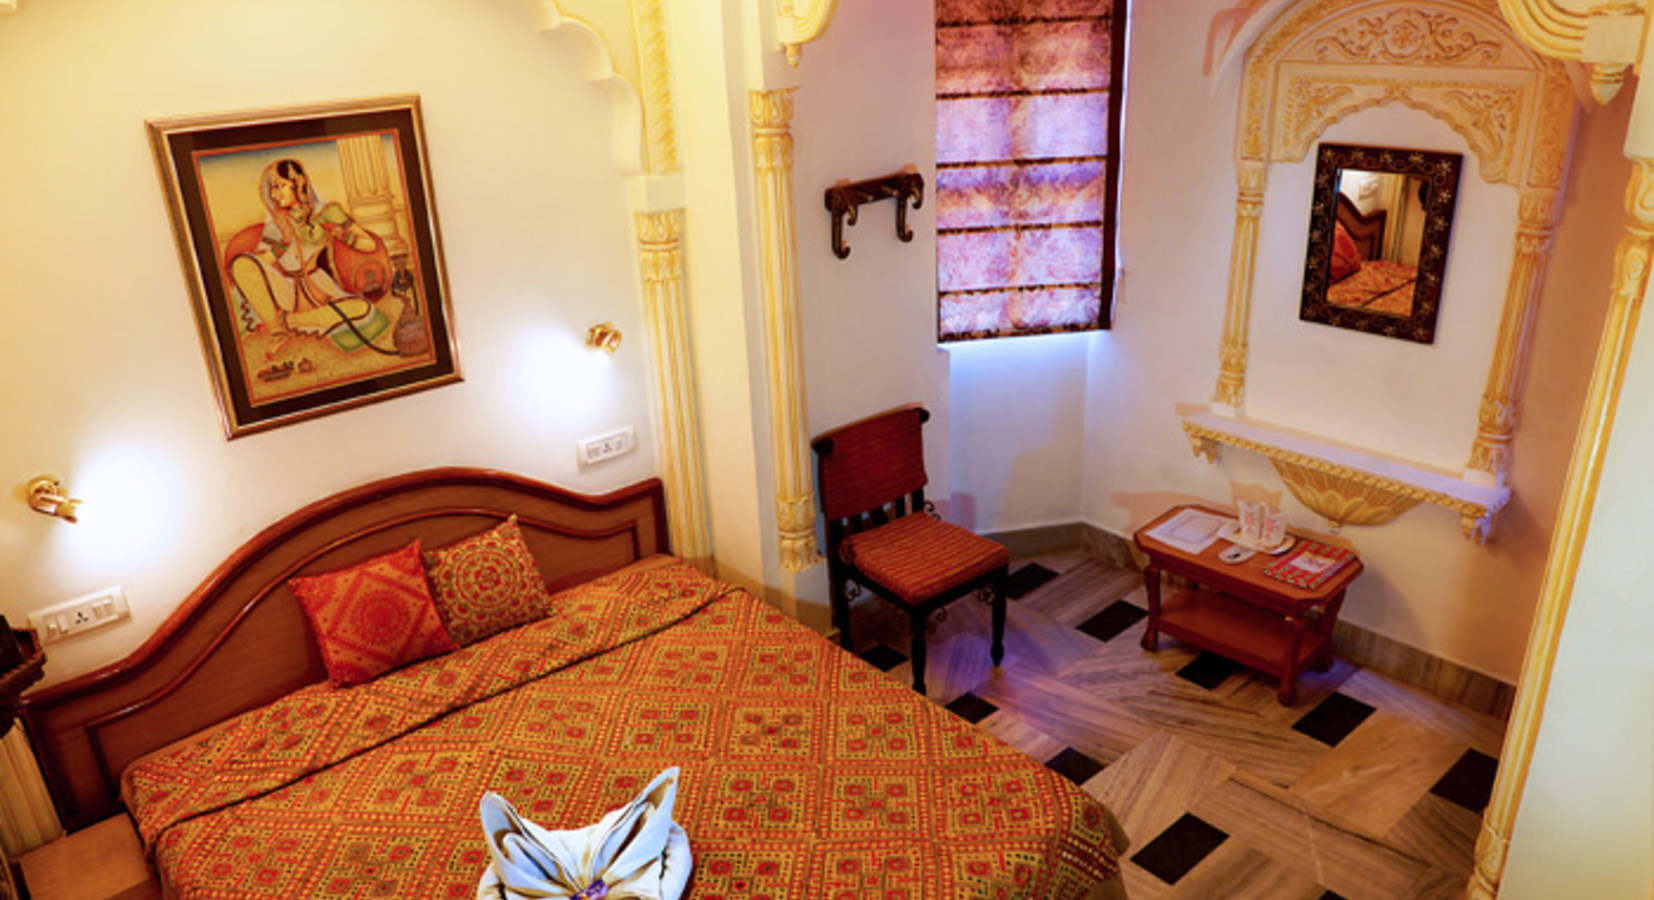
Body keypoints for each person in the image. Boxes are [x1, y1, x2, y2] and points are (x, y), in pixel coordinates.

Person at [223, 157, 394, 353]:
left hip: (318, 288)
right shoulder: (277, 223)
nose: (274, 194)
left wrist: (342, 235)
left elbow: (370, 245)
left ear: (298, 182)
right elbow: (262, 263)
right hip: (285, 290)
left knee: (363, 309)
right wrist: (282, 244)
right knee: (240, 264)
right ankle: (278, 330)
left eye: (279, 186)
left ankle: (290, 320)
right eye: (272, 188)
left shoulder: (328, 212)